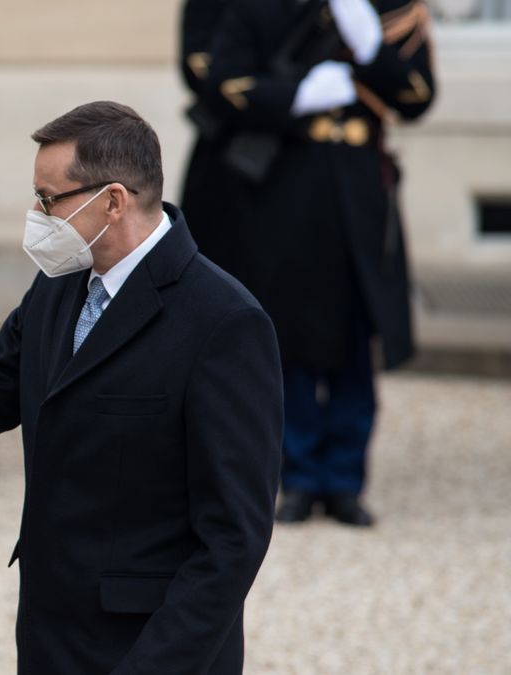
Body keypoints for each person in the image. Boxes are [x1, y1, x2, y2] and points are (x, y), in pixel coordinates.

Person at [0, 101, 284, 674]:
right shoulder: (58, 286)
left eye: (49, 199)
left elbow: (233, 538)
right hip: (49, 631)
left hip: (145, 643)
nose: (37, 215)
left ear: (113, 201)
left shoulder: (224, 321)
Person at [180, 0, 435, 526]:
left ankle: (344, 478)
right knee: (288, 333)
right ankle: (296, 474)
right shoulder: (263, 8)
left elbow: (416, 95)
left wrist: (371, 48)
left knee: (356, 333)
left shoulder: (390, 9)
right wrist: (296, 95)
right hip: (287, 189)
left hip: (359, 188)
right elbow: (225, 84)